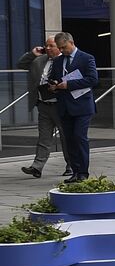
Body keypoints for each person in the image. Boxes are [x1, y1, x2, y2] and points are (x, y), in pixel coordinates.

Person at [17, 37, 69, 180]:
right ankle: (37, 167)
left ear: (59, 46)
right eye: (46, 45)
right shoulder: (40, 60)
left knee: (66, 137)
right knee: (44, 138)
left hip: (60, 105)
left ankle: (71, 165)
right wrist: (33, 54)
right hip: (43, 105)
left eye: (51, 45)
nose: (48, 48)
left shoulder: (66, 60)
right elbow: (21, 64)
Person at [50, 31, 98, 184]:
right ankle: (75, 171)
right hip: (65, 106)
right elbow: (55, 77)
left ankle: (83, 172)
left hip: (82, 106)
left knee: (79, 137)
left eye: (64, 47)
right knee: (69, 139)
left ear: (71, 42)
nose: (62, 50)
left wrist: (68, 85)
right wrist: (54, 86)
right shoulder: (58, 61)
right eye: (60, 48)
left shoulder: (86, 58)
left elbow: (92, 79)